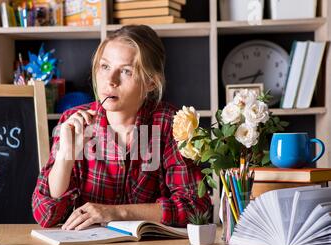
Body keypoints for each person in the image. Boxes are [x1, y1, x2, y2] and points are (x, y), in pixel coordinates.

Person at [32, 25, 212, 230]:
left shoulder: (170, 124)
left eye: (126, 71)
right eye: (105, 67)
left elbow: (197, 208)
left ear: (151, 82)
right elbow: (45, 214)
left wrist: (116, 212)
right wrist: (66, 155)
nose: (110, 81)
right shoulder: (72, 121)